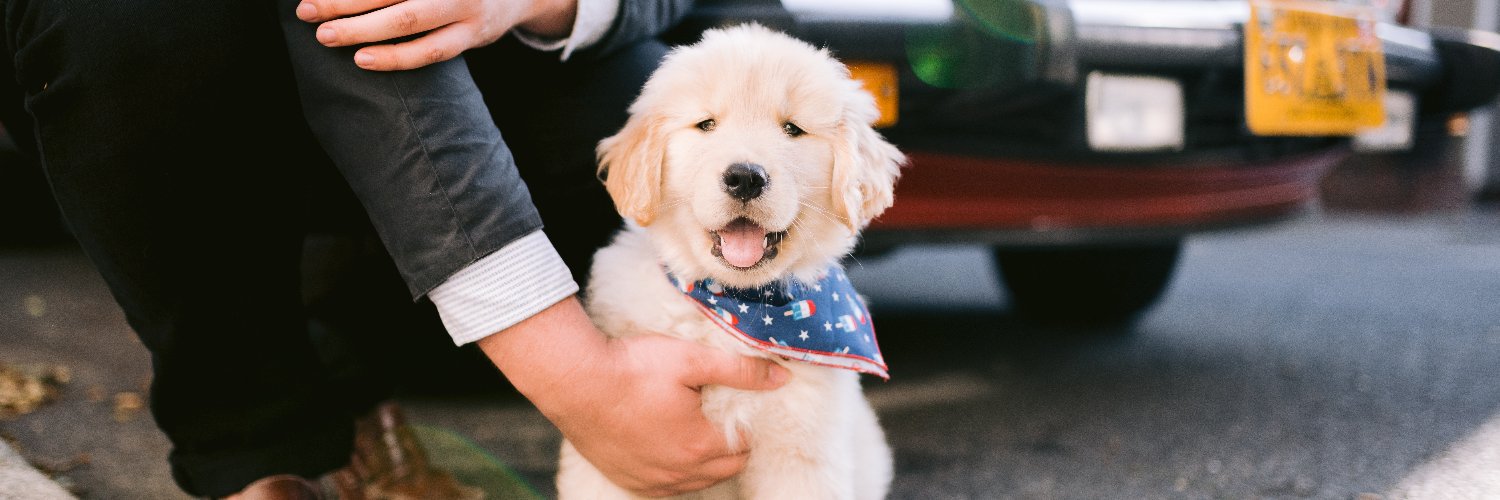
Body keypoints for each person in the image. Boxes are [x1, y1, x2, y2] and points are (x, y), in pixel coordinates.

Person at [1, 0, 790, 497]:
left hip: (502, 67)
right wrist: (578, 377)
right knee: (130, 19)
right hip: (165, 60)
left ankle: (353, 370)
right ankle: (260, 452)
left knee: (653, 102)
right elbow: (365, 23)